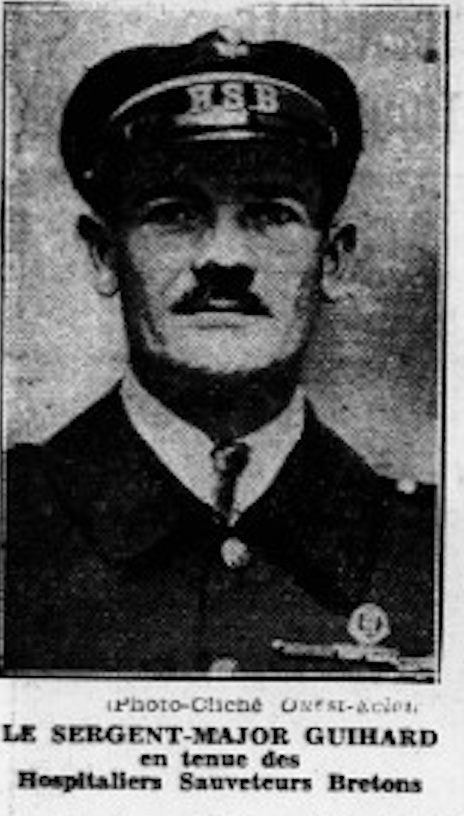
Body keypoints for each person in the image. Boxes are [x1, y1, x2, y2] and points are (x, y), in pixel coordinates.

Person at [4, 27, 436, 675]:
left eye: (271, 214)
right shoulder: (16, 523)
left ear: (334, 260)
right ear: (104, 255)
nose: (224, 258)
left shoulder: (429, 549)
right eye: (174, 213)